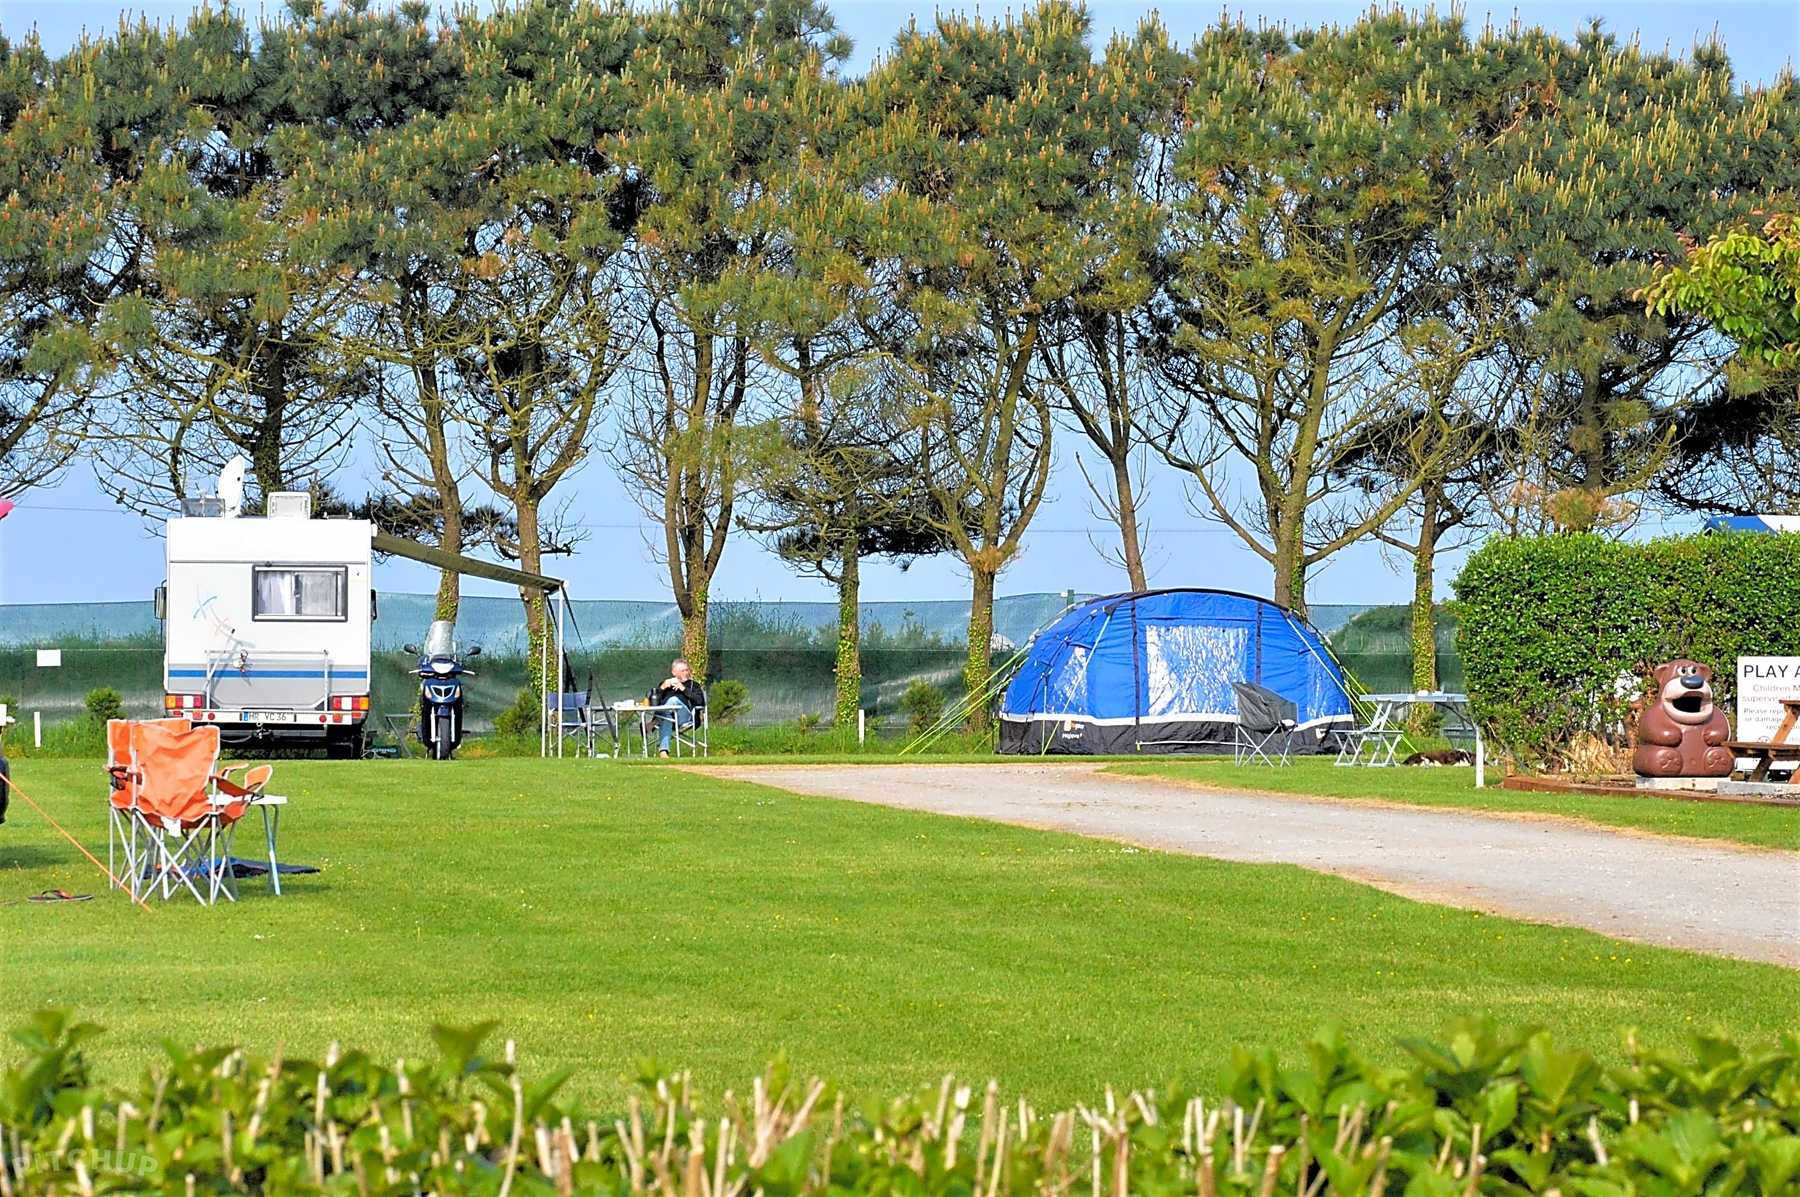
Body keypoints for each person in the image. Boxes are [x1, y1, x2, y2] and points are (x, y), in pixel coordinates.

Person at [650, 658, 705, 757]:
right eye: (682, 671)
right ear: (674, 672)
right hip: (669, 718)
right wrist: (662, 688)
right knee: (667, 718)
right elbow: (653, 702)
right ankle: (663, 751)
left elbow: (700, 702)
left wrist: (683, 689)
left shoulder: (693, 685)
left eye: (687, 670)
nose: (686, 673)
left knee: (673, 700)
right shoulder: (666, 685)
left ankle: (654, 723)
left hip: (686, 717)